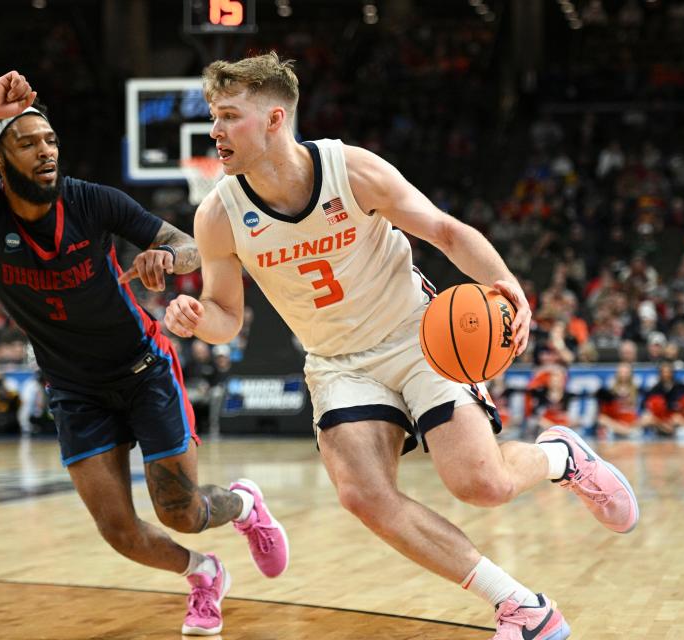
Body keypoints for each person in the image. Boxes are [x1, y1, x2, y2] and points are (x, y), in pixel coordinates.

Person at [164, 53, 639, 640]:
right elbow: (226, 318)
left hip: (416, 336)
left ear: (274, 119)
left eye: (228, 116)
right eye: (214, 116)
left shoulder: (351, 169)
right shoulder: (218, 213)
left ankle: (562, 458)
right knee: (363, 495)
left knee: (481, 485)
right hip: (338, 363)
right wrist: (194, 317)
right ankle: (520, 605)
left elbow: (443, 230)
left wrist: (509, 286)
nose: (215, 130)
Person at [0, 70, 288, 635]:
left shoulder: (91, 201)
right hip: (72, 387)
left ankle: (245, 506)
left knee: (179, 510)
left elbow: (184, 246)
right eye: (28, 143)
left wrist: (166, 260)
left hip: (142, 369)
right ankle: (204, 574)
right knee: (119, 531)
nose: (45, 150)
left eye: (50, 140)